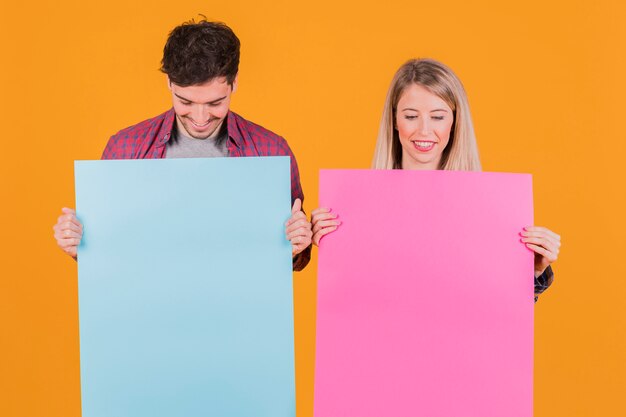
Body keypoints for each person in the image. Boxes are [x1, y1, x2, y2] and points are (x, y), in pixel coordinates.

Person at [53, 19, 312, 270]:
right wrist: (80, 246)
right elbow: (108, 255)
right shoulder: (125, 149)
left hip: (239, 308)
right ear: (169, 83)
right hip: (149, 309)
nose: (200, 119)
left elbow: (293, 257)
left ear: (234, 82)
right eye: (186, 102)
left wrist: (297, 245)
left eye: (215, 103)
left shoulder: (271, 150)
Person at [311, 58, 560, 300]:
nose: (424, 131)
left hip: (462, 342)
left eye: (438, 117)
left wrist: (532, 269)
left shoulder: (490, 210)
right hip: (384, 340)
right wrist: (335, 249)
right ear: (394, 121)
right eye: (411, 116)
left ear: (455, 121)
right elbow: (353, 300)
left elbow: (494, 309)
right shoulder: (356, 207)